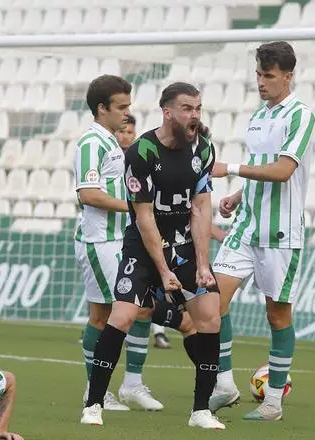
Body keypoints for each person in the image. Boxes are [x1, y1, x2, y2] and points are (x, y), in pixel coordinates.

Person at [81, 82, 224, 429]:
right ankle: (94, 403)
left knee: (210, 317)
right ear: (168, 112)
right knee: (123, 316)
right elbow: (143, 217)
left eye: (198, 109)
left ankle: (201, 410)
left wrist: (203, 264)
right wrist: (162, 271)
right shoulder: (142, 151)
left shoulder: (203, 150)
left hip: (185, 245)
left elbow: (202, 208)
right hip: (144, 247)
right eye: (188, 108)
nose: (194, 116)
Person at [209, 41, 315, 421]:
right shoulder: (258, 114)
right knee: (211, 302)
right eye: (258, 74)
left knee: (277, 316)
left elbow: (284, 170)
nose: (261, 82)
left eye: (268, 76)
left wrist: (231, 170)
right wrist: (239, 195)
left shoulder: (301, 116)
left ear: (288, 76)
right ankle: (223, 384)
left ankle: (273, 402)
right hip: (247, 225)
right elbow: (261, 166)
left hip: (280, 233)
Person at [73, 75, 163, 412]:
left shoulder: (111, 141)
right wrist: (135, 206)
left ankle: (131, 385)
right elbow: (88, 194)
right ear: (102, 108)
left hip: (119, 240)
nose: (127, 113)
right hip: (99, 241)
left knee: (141, 308)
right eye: (121, 107)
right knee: (105, 316)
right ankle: (96, 390)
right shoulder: (91, 143)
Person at [116, 114, 172, 349]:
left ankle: (159, 331)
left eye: (130, 132)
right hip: (116, 231)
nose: (126, 136)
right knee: (121, 292)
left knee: (153, 288)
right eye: (122, 131)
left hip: (141, 230)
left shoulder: (142, 157)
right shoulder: (111, 156)